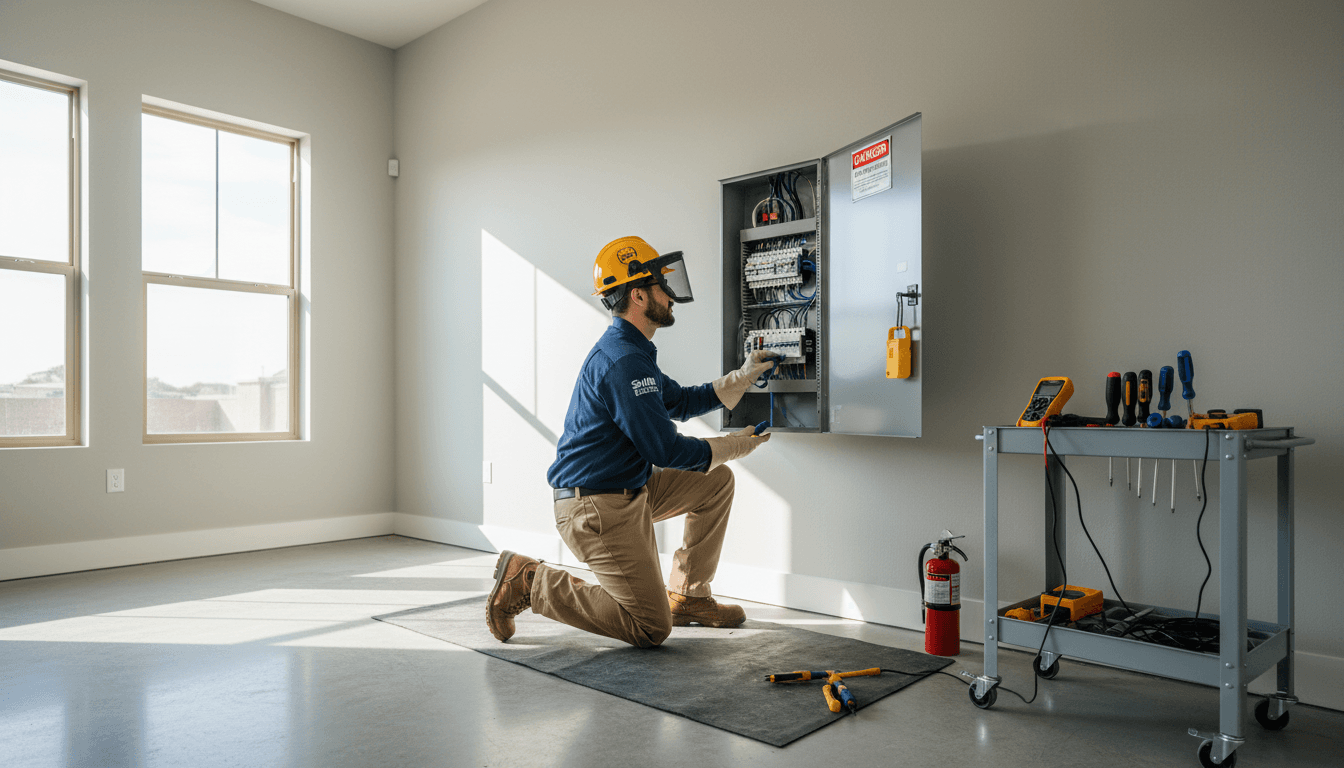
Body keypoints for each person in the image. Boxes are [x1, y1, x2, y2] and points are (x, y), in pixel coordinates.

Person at [486, 235, 780, 648]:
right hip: (594, 506)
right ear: (639, 295)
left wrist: (743, 376)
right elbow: (667, 451)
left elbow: (678, 401)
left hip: (629, 488)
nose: (672, 295)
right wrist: (736, 445)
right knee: (650, 627)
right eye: (663, 284)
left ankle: (690, 596)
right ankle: (529, 581)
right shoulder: (623, 361)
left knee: (716, 483)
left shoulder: (635, 351)